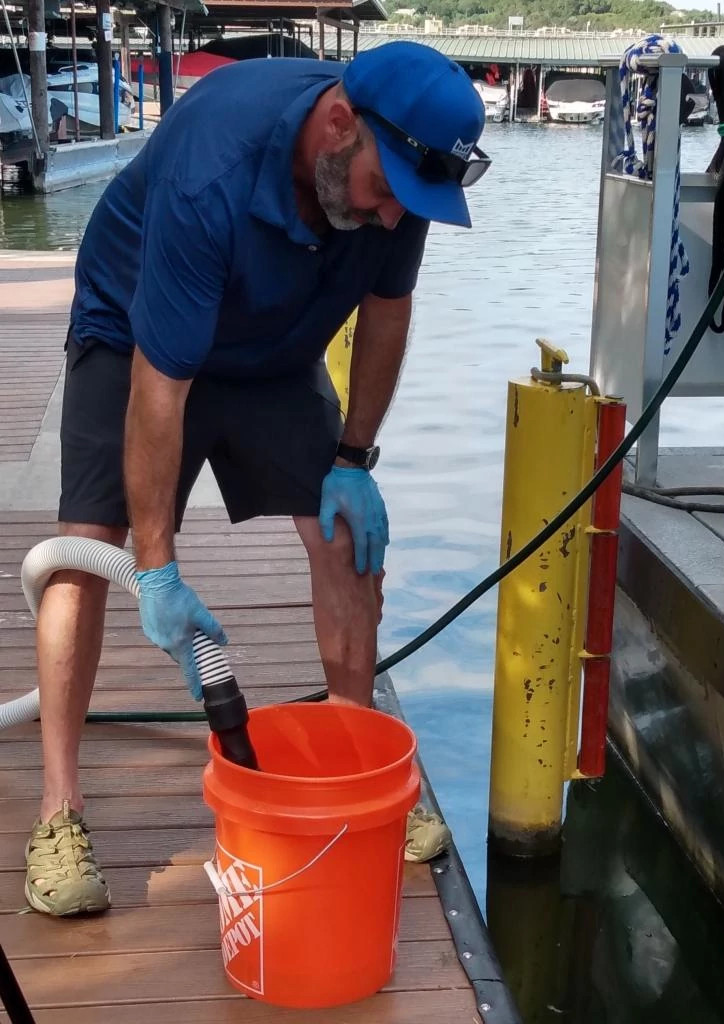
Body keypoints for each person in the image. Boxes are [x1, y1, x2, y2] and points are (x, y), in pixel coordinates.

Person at [25, 40, 489, 917]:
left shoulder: (404, 172)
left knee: (347, 532)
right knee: (87, 552)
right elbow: (161, 392)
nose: (395, 220)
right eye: (385, 194)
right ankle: (58, 813)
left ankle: (361, 764)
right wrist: (156, 569)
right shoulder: (215, 170)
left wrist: (352, 459)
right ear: (338, 127)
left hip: (275, 349)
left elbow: (387, 315)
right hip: (138, 334)